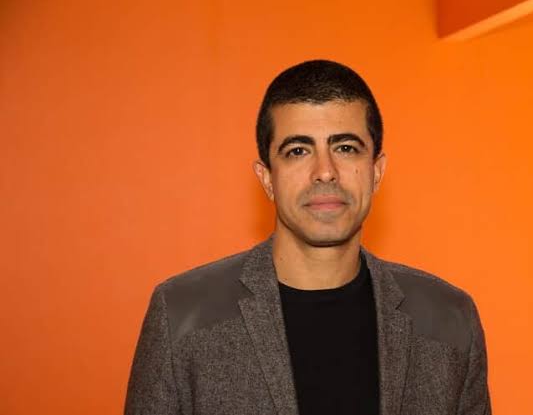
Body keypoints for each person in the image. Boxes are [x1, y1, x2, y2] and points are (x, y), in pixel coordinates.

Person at [125, 60, 491, 415]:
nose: (325, 172)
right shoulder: (181, 316)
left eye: (345, 148)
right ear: (267, 178)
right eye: (298, 151)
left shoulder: (449, 321)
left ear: (376, 171)